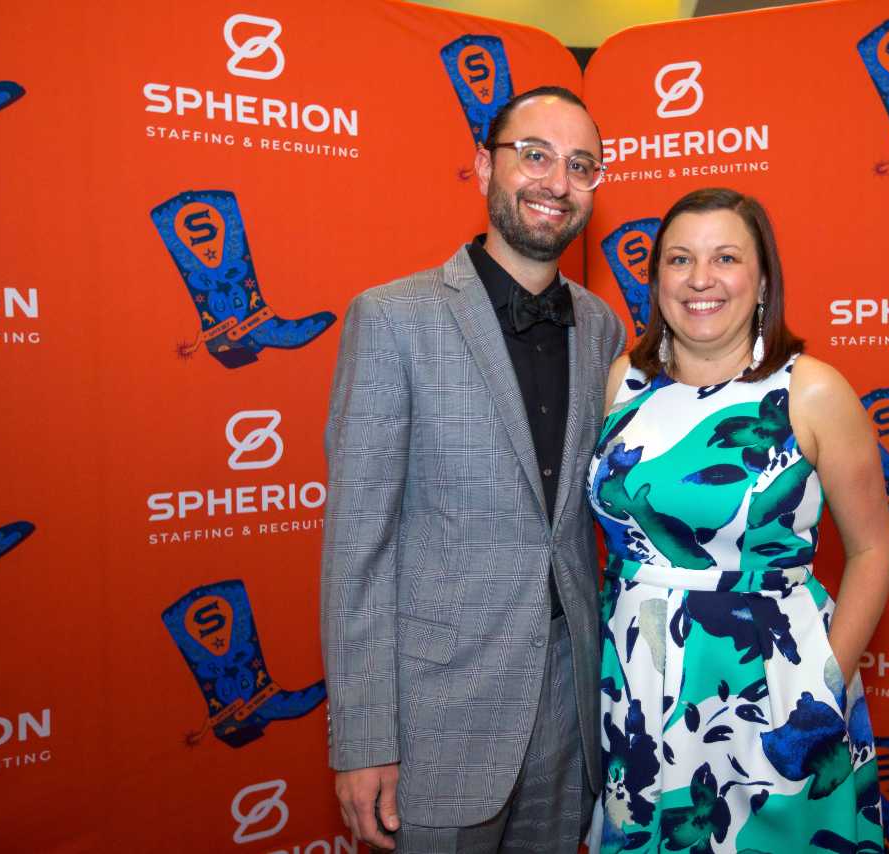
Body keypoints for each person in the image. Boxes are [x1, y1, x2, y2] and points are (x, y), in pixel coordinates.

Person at [321, 86, 626, 853]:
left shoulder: (601, 326)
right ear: (482, 167)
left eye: (580, 164)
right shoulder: (392, 317)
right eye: (535, 155)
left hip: (568, 702)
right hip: (436, 713)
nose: (557, 182)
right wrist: (362, 739)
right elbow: (357, 548)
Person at [586, 188, 889, 852]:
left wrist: (824, 684)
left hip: (770, 685)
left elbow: (873, 550)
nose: (700, 279)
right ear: (657, 279)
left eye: (725, 257)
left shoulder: (810, 390)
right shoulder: (622, 385)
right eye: (679, 259)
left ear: (761, 281)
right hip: (637, 684)